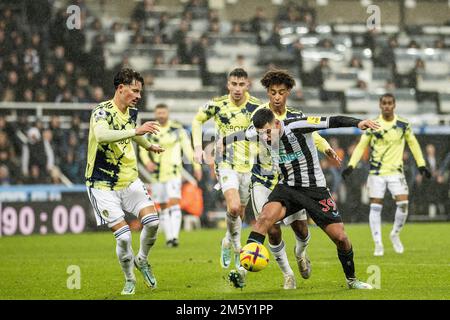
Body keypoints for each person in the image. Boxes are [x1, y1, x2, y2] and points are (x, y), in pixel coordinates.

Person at [227, 69, 341, 289]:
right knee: (271, 228)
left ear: (287, 93)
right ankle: (288, 274)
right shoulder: (259, 115)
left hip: (290, 181)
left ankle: (301, 252)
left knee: (301, 228)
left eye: (280, 92)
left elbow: (311, 133)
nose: (276, 97)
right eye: (272, 93)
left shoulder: (295, 115)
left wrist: (326, 148)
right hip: (263, 178)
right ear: (268, 93)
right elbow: (245, 134)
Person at [241, 108, 379, 289]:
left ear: (276, 123)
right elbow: (241, 134)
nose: (266, 137)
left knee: (341, 238)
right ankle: (243, 266)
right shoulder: (255, 132)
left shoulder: (298, 125)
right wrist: (221, 143)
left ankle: (351, 280)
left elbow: (332, 120)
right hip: (287, 188)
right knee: (265, 219)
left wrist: (358, 122)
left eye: (268, 132)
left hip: (314, 190)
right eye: (262, 134)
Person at [85, 68, 164, 295]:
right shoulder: (101, 112)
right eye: (135, 90)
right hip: (102, 184)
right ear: (121, 88)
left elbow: (131, 133)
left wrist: (149, 145)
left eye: (140, 91)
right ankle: (129, 279)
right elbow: (102, 136)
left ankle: (143, 259)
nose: (139, 95)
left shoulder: (131, 112)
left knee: (152, 222)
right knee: (124, 237)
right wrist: (136, 131)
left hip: (129, 180)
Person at [342, 93, 431, 256]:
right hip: (376, 173)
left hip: (396, 172)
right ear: (380, 105)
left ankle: (395, 234)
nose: (387, 106)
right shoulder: (373, 124)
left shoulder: (403, 124)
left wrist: (422, 165)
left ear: (394, 105)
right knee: (376, 206)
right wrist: (351, 165)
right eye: (384, 103)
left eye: (390, 103)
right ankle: (378, 244)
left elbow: (414, 144)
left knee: (403, 205)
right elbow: (362, 146)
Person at [191, 68, 261, 275]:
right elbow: (197, 120)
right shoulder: (218, 104)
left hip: (249, 166)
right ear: (227, 85)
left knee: (240, 212)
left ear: (248, 85)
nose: (237, 89)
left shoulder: (256, 107)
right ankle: (239, 249)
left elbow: (267, 131)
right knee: (233, 208)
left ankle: (226, 241)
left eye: (241, 84)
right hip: (226, 163)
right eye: (234, 84)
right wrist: (197, 147)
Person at [139, 103, 202, 247]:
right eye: (158, 113)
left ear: (168, 113)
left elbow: (188, 149)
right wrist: (147, 161)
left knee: (174, 203)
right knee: (163, 206)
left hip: (173, 172)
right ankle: (169, 238)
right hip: (157, 175)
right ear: (155, 114)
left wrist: (196, 166)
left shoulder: (177, 130)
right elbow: (143, 148)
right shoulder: (150, 130)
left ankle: (174, 237)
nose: (161, 115)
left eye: (163, 113)